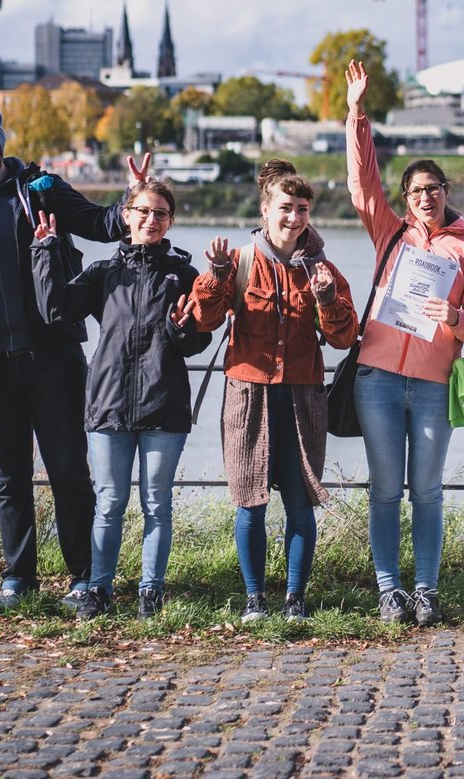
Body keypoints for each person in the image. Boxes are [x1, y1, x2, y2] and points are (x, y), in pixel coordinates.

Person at [0, 106, 142, 611]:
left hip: (53, 355)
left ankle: (84, 576)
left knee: (69, 470)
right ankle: (19, 576)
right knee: (9, 477)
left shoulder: (39, 189)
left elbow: (102, 224)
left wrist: (135, 197)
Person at [344, 59, 464, 626]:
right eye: (415, 191)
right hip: (377, 379)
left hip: (432, 385)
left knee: (426, 492)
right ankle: (390, 591)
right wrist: (358, 113)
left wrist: (454, 315)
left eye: (433, 189)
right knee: (384, 490)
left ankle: (426, 590)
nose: (424, 198)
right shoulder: (390, 232)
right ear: (405, 199)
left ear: (446, 192)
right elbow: (363, 184)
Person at [30, 178, 211, 619]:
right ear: (126, 216)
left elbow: (195, 344)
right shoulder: (102, 273)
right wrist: (45, 252)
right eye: (143, 212)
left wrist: (182, 326)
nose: (151, 220)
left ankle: (151, 591)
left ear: (170, 222)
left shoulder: (184, 276)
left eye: (161, 214)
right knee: (109, 503)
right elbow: (56, 311)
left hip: (164, 405)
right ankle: (99, 589)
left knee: (156, 504)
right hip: (108, 404)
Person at [188, 162, 357, 622]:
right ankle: (254, 598)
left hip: (303, 397)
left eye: (302, 209)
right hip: (248, 395)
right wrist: (217, 275)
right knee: (251, 500)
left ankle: (295, 599)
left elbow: (344, 338)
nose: (294, 218)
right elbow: (202, 322)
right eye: (285, 208)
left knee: (301, 503)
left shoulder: (323, 270)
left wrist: (326, 300)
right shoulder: (240, 261)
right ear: (265, 210)